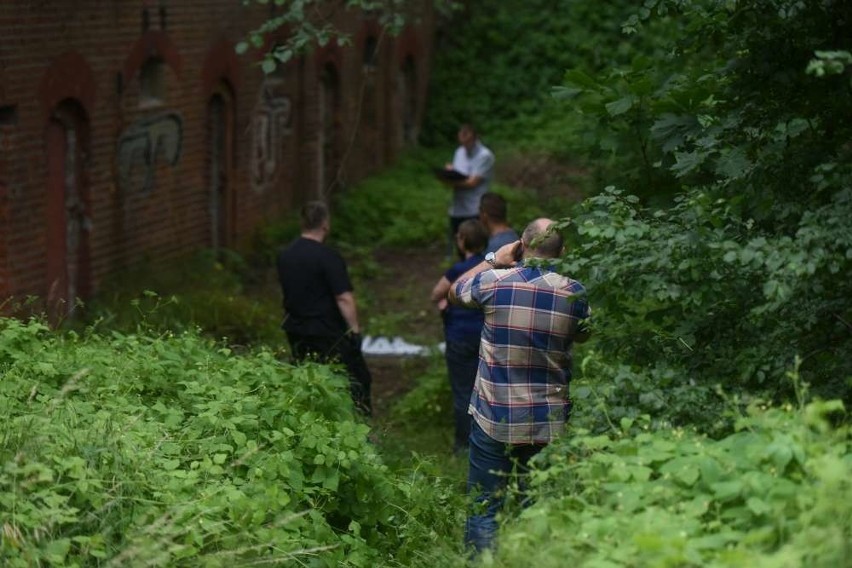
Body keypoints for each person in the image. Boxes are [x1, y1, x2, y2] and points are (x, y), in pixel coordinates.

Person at [447, 218, 592, 553]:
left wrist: (492, 260)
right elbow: (585, 334)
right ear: (563, 253)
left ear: (521, 246)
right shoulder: (574, 294)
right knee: (536, 507)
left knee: (484, 506)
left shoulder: (494, 282)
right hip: (547, 419)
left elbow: (455, 292)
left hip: (494, 414)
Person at [276, 201, 373, 416]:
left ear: (302, 223)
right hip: (326, 330)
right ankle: (360, 427)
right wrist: (354, 330)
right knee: (356, 378)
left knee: (307, 378)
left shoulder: (286, 256)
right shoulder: (328, 257)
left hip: (295, 327)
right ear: (325, 224)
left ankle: (312, 419)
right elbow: (343, 297)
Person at [429, 219, 489, 454]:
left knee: (463, 391)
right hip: (486, 336)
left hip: (460, 337)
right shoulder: (493, 268)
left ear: (462, 241)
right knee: (486, 389)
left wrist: (445, 301)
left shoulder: (457, 271)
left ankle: (463, 444)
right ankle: (487, 439)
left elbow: (436, 294)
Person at [442, 124, 495, 259]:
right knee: (461, 244)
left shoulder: (485, 155)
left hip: (475, 207)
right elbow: (460, 173)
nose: (464, 142)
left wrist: (450, 180)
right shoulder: (459, 152)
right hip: (458, 206)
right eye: (461, 138)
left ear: (474, 137)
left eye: (467, 138)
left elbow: (473, 182)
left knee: (477, 246)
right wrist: (449, 173)